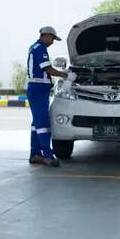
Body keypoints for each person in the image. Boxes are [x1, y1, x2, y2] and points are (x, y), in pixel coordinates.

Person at [27, 26, 74, 167]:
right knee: (43, 124)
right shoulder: (40, 48)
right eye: (52, 38)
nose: (53, 42)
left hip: (37, 88)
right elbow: (48, 69)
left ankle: (35, 154)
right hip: (38, 88)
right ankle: (47, 155)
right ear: (45, 35)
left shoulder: (35, 47)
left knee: (36, 123)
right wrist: (66, 75)